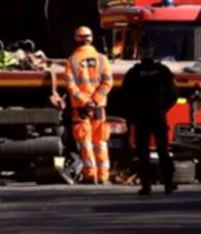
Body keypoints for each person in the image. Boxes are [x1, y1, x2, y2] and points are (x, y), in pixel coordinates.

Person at [122, 39, 179, 195]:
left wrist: (132, 115)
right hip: (157, 115)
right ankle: (168, 183)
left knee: (143, 151)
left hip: (142, 116)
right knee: (162, 150)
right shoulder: (162, 71)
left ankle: (146, 185)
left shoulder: (134, 73)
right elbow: (173, 94)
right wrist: (162, 109)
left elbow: (125, 96)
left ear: (139, 53)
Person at [64, 26, 113, 184]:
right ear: (91, 38)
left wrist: (85, 101)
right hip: (98, 107)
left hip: (81, 107)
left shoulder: (71, 60)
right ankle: (104, 175)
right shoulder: (102, 59)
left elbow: (71, 86)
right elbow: (107, 82)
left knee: (85, 141)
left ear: (77, 39)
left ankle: (90, 174)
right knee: (100, 142)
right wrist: (95, 100)